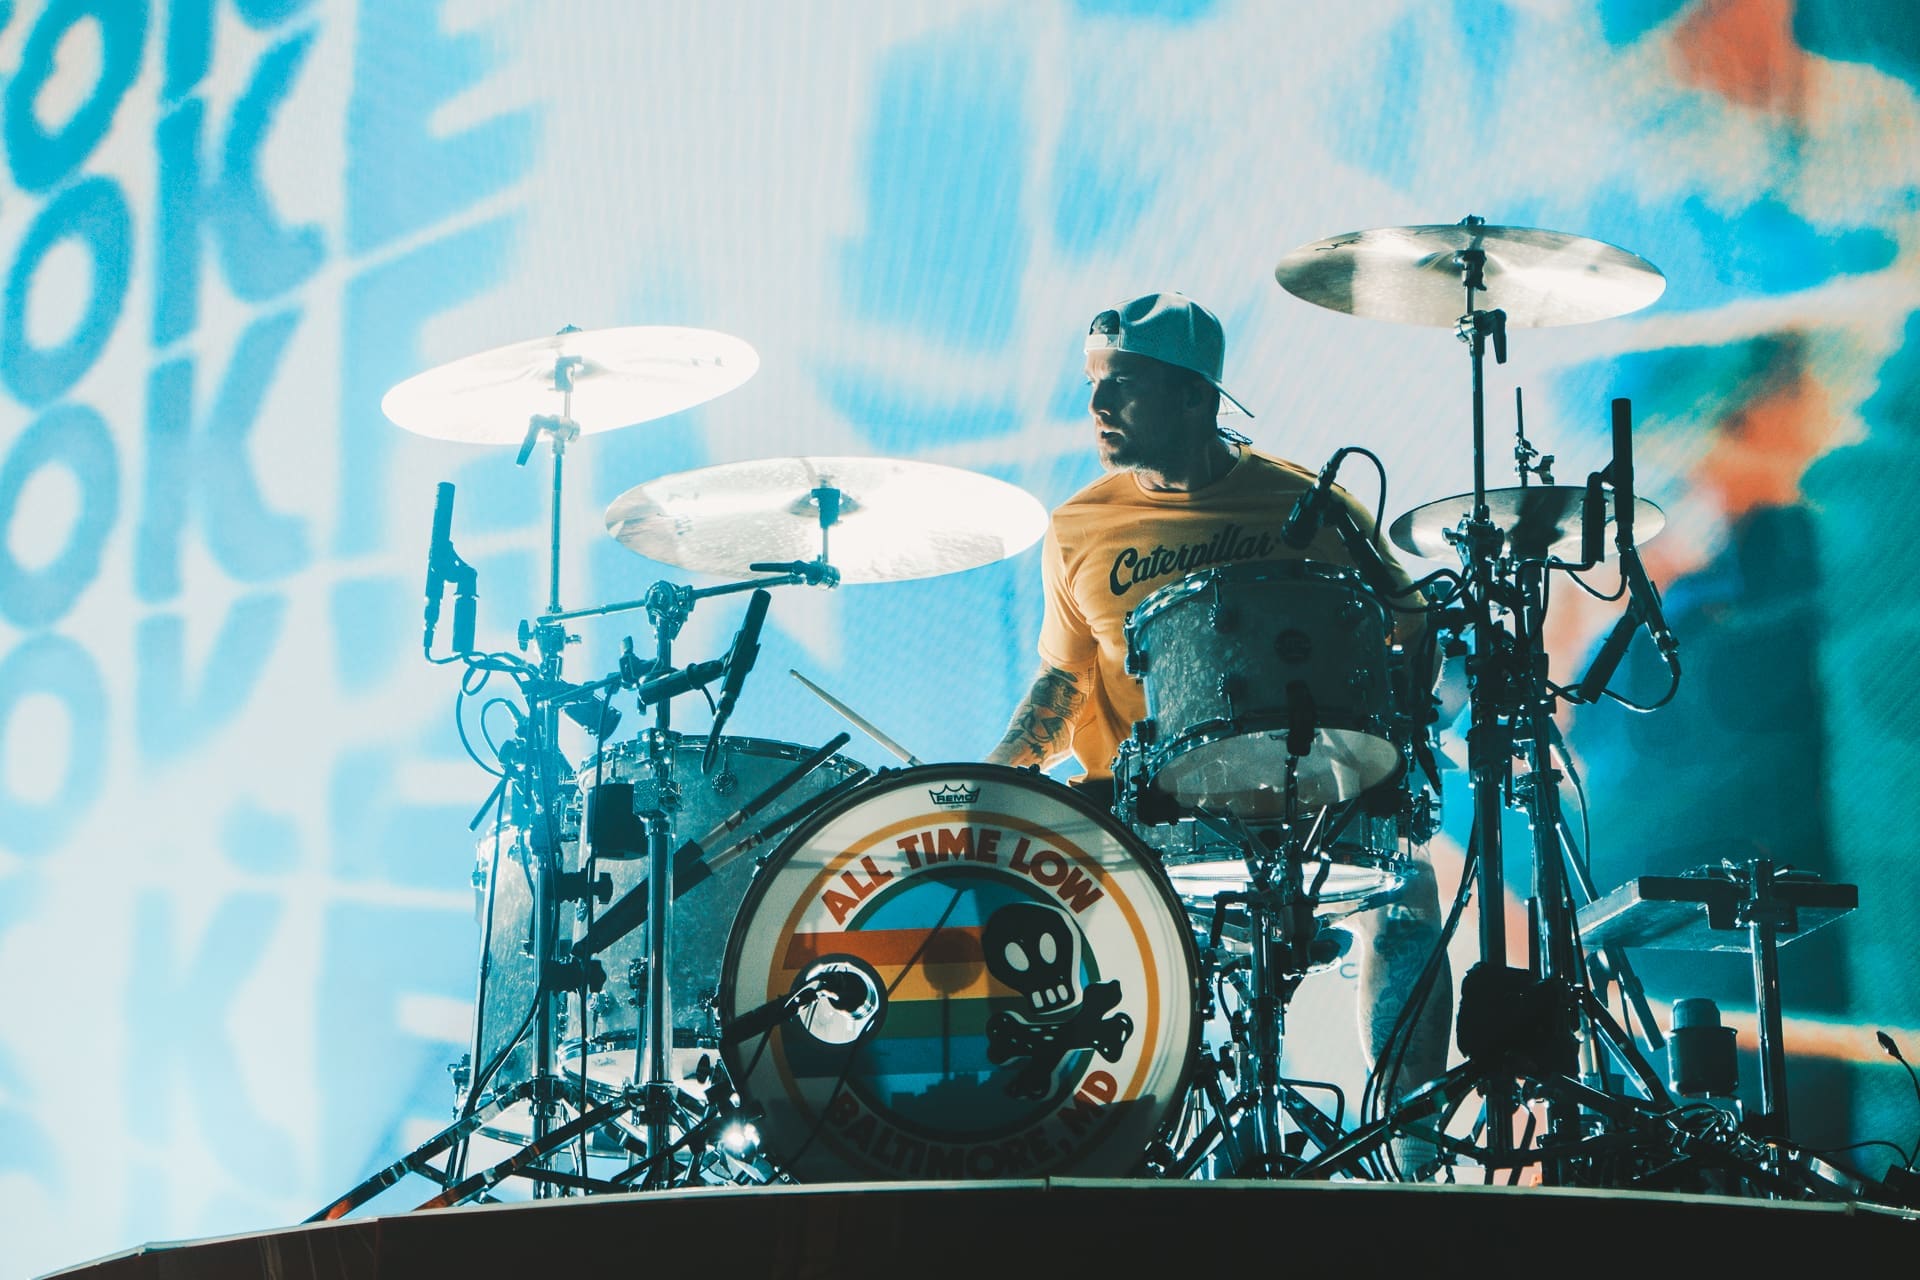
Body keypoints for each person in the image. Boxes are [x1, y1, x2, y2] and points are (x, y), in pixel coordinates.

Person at [985, 292, 1454, 1176]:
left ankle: (1413, 1150)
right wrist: (996, 773)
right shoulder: (1078, 527)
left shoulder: (1310, 505)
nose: (1096, 406)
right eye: (1092, 384)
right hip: (1150, 814)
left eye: (1122, 385)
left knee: (1406, 893)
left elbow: (1412, 628)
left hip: (1306, 803)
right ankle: (1111, 1156)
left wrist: (1395, 738)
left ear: (1195, 395)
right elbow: (1063, 680)